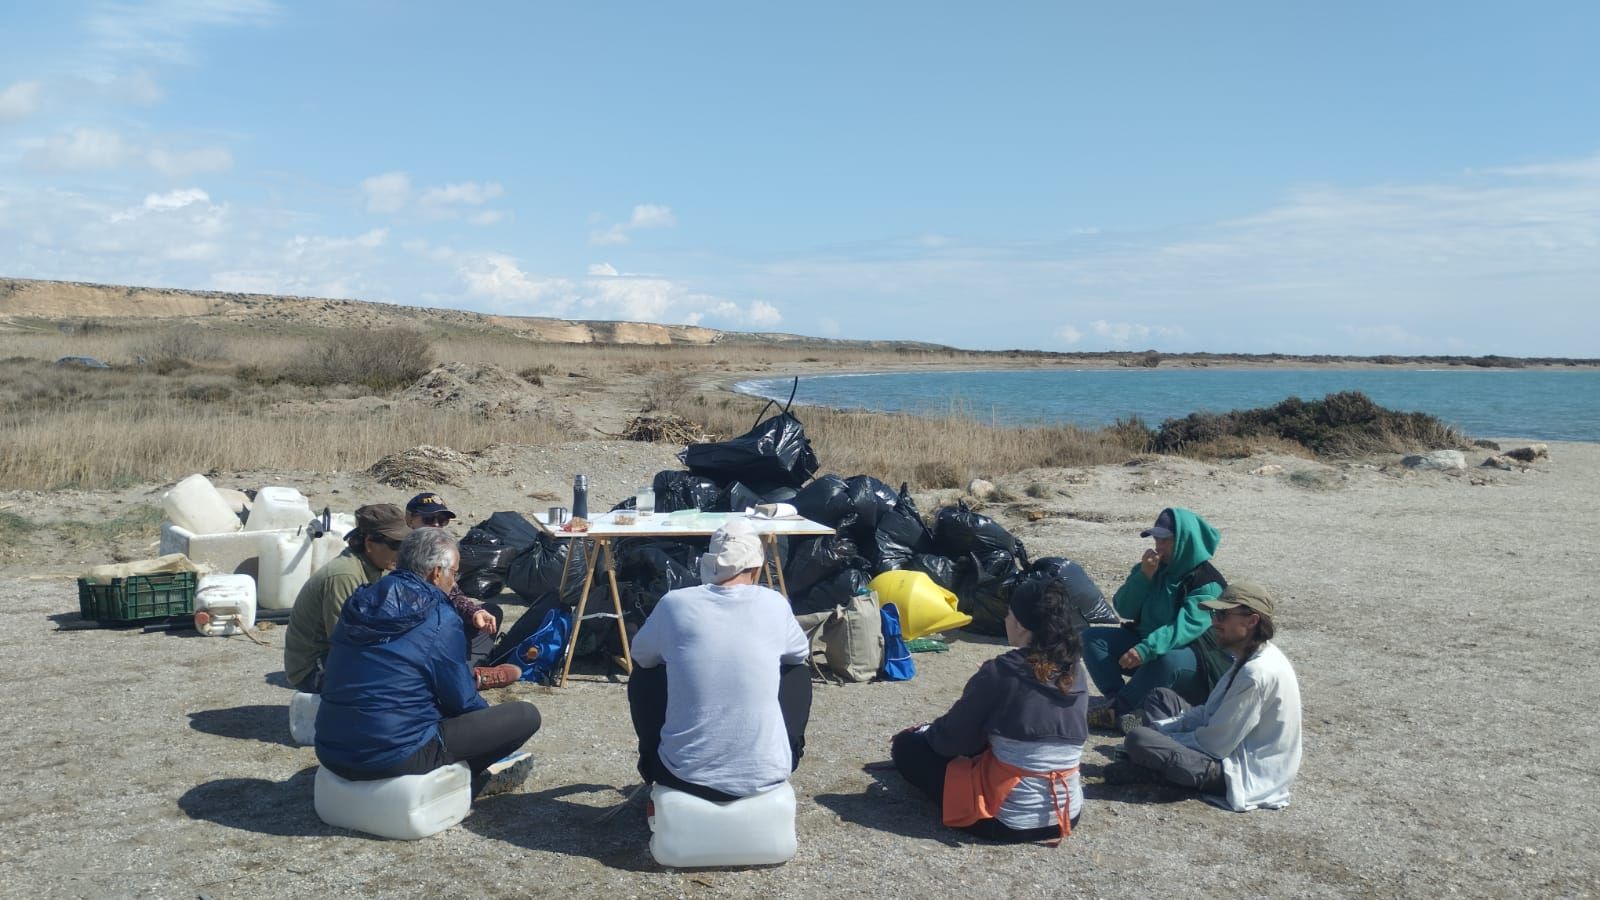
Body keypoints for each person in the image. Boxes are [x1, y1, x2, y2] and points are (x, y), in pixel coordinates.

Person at [314, 528, 542, 796]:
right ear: (436, 573)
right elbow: (461, 700)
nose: (454, 581)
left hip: (331, 748)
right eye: (454, 573)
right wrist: (485, 724)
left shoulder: (359, 602)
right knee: (525, 716)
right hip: (391, 755)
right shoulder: (439, 618)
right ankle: (462, 783)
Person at [890, 578, 1088, 844]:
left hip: (1007, 819)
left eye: (1008, 614)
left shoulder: (1002, 671)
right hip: (1067, 812)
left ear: (1020, 624)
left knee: (907, 747)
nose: (1006, 619)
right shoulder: (1074, 670)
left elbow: (949, 741)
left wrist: (924, 733)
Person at [627, 518, 811, 800]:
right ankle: (787, 748)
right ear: (756, 567)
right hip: (767, 775)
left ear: (711, 564)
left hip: (682, 775)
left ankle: (652, 756)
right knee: (796, 669)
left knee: (646, 672)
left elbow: (641, 655)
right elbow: (799, 654)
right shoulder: (774, 603)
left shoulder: (676, 603)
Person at [1118, 579, 1302, 811]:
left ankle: (1154, 765)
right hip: (1226, 743)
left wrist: (1161, 734)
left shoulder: (1256, 673)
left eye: (1223, 615)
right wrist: (1163, 729)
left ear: (1252, 620)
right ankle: (1153, 760)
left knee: (1139, 739)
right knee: (1161, 698)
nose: (1214, 622)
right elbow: (1208, 713)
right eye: (1215, 614)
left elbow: (1215, 744)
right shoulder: (1248, 656)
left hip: (1238, 771)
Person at [1082, 507, 1228, 730]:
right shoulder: (1154, 568)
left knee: (1167, 658)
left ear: (1184, 541)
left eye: (1165, 540)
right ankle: (1120, 702)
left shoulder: (1206, 583)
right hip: (1148, 650)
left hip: (1193, 664)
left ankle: (1119, 711)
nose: (1158, 546)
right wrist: (1144, 577)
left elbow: (1184, 629)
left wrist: (1145, 649)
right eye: (1156, 539)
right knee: (1091, 638)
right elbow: (1124, 609)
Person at [284, 504, 409, 693]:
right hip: (313, 669)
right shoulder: (344, 576)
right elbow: (346, 640)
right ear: (369, 543)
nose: (401, 552)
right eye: (395, 545)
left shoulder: (377, 567)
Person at [405, 491, 508, 685]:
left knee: (491, 612)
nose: (436, 525)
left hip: (444, 629)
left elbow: (454, 594)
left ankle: (465, 668)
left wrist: (474, 612)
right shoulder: (405, 555)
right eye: (428, 519)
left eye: (442, 520)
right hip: (423, 639)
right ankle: (465, 676)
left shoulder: (440, 551)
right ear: (409, 519)